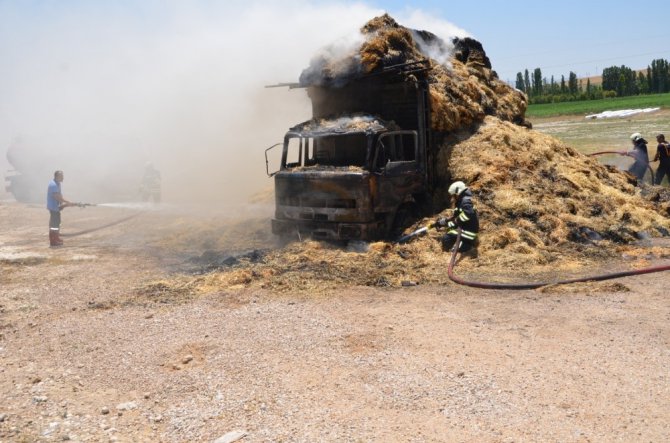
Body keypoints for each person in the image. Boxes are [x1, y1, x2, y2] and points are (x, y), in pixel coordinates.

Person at [436, 180, 479, 253]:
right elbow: (455, 216)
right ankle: (464, 243)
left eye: (453, 195)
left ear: (458, 193)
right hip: (464, 228)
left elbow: (469, 213)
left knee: (446, 240)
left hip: (468, 231)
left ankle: (468, 245)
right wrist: (444, 222)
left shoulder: (465, 201)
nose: (452, 197)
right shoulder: (461, 201)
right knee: (447, 238)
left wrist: (457, 220)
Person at [46, 170, 72, 247]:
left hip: (56, 207)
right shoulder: (53, 185)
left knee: (57, 223)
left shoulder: (58, 184)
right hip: (53, 208)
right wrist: (67, 202)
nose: (63, 177)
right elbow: (56, 197)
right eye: (61, 176)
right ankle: (53, 241)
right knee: (54, 225)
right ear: (57, 176)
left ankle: (56, 238)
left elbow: (59, 195)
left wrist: (63, 204)